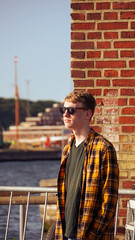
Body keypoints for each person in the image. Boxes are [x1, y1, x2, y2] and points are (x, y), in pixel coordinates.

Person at [55, 90, 119, 240]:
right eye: (63, 110)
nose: (65, 115)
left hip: (89, 235)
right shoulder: (67, 150)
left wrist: (90, 235)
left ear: (87, 114)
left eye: (71, 110)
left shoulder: (103, 148)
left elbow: (109, 202)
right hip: (64, 232)